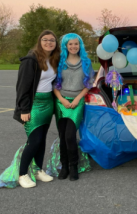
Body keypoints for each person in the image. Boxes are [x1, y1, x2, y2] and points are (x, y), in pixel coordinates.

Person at [0, 30, 60, 188]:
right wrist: (24, 109)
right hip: (33, 105)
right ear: (39, 41)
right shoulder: (31, 60)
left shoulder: (53, 59)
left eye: (52, 40)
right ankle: (22, 174)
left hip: (48, 103)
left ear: (56, 44)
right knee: (33, 141)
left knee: (41, 140)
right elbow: (22, 87)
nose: (49, 42)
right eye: (45, 40)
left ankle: (38, 170)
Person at [53, 33, 94, 181]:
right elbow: (54, 84)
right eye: (70, 44)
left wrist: (77, 98)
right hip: (61, 102)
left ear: (80, 45)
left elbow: (88, 84)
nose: (73, 46)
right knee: (62, 136)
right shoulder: (59, 61)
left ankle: (73, 166)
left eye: (76, 44)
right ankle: (64, 166)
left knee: (70, 135)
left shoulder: (86, 62)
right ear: (66, 46)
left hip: (77, 101)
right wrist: (61, 99)